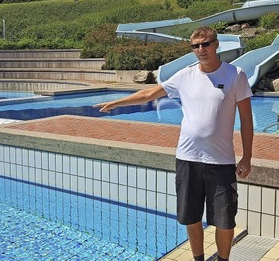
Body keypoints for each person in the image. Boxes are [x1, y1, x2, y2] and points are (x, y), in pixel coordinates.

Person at [94, 27, 253, 261]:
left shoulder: (235, 74)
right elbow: (150, 93)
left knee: (225, 220)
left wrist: (247, 156)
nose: (201, 49)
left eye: (206, 44)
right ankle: (198, 258)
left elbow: (247, 121)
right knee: (191, 216)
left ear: (217, 44)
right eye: (196, 46)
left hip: (221, 161)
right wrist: (118, 102)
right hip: (188, 158)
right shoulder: (185, 75)